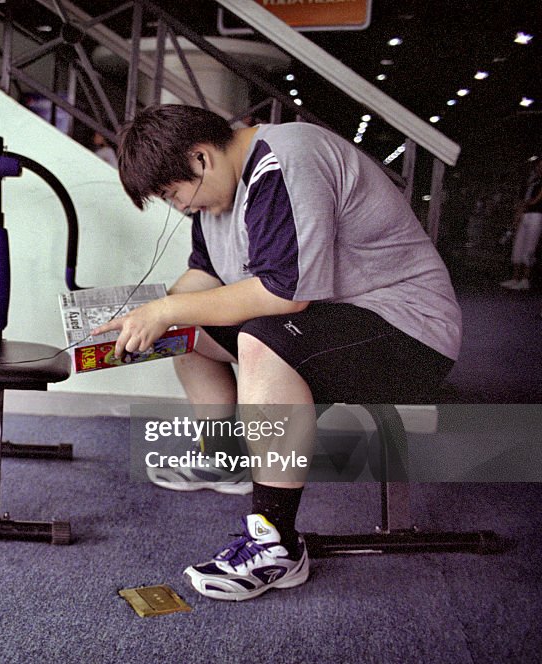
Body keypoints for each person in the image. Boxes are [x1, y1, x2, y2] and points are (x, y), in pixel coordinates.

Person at [94, 105, 461, 600]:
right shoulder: (217, 196)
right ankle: (224, 459)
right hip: (332, 321)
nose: (177, 206)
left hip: (409, 333)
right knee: (183, 329)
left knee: (263, 338)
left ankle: (277, 545)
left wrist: (168, 307)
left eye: (172, 193)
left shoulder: (286, 159)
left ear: (200, 158)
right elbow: (206, 278)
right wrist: (152, 314)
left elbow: (286, 294)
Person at [500, 158, 542, 290]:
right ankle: (515, 278)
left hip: (536, 215)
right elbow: (523, 199)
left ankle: (525, 279)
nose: (539, 168)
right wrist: (517, 215)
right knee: (518, 246)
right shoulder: (533, 182)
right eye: (539, 166)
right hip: (524, 215)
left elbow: (536, 200)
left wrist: (524, 204)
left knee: (529, 248)